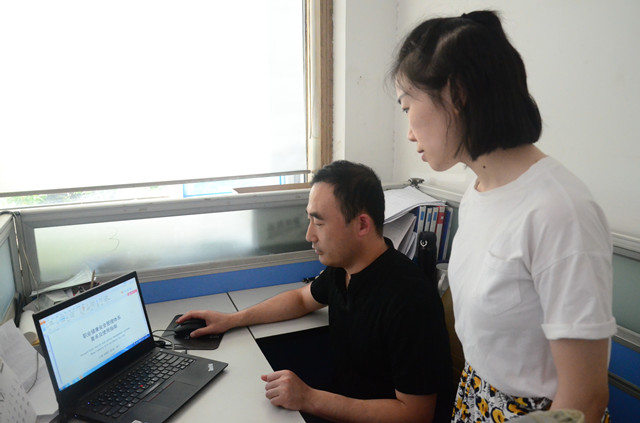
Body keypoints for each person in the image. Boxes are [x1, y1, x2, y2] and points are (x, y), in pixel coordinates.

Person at [391, 10, 616, 423]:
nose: (408, 131)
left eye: (407, 106)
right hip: (475, 397)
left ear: (456, 93)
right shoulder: (478, 192)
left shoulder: (560, 212)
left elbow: (584, 399)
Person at [178, 160, 452, 423]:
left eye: (319, 223)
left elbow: (414, 415)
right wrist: (232, 319)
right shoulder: (344, 267)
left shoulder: (410, 300)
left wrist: (309, 398)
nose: (309, 235)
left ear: (362, 225)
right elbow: (301, 299)